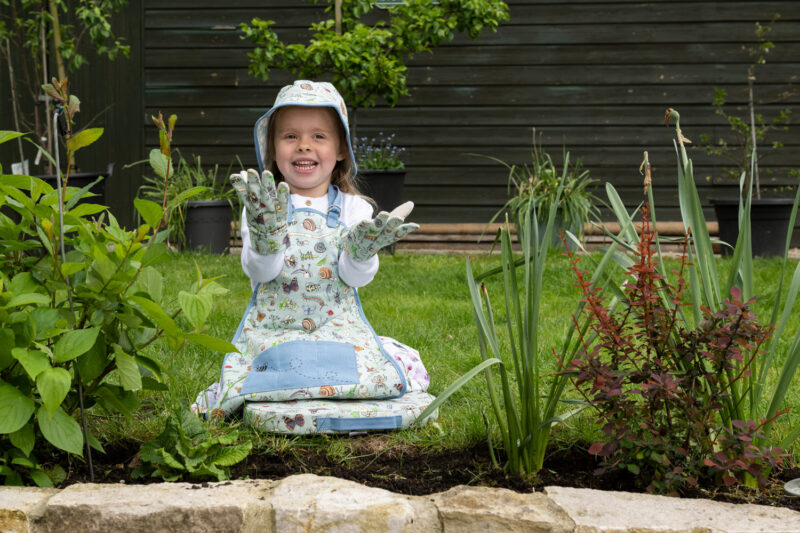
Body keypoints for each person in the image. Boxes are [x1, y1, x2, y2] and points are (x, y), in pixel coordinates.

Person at [193, 80, 430, 422]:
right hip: (276, 336)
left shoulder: (355, 209)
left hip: (338, 333)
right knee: (281, 373)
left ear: (341, 150)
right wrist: (266, 235)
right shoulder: (263, 206)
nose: (304, 146)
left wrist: (362, 253)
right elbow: (262, 274)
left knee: (380, 370)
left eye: (318, 136)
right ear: (272, 149)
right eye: (290, 136)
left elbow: (354, 279)